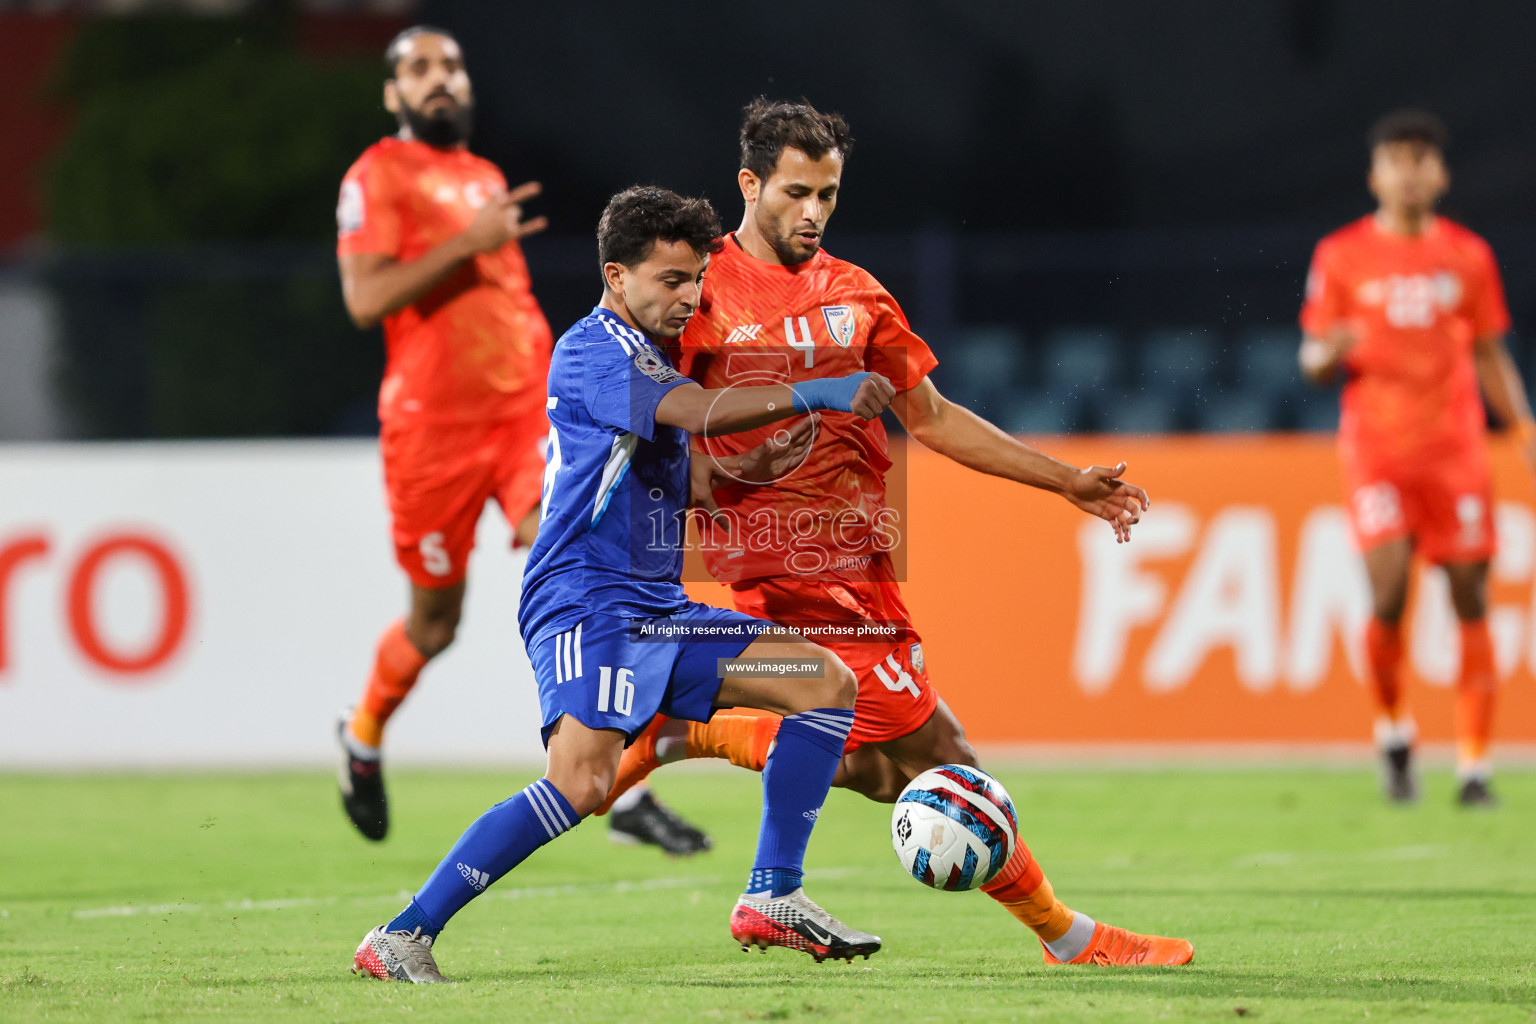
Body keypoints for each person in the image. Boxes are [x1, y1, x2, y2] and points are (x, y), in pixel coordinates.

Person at [598, 98, 1193, 967]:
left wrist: (1066, 481)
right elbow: (645, 421)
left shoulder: (856, 294)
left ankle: (690, 732)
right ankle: (1069, 938)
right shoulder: (699, 292)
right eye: (797, 192)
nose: (813, 212)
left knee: (881, 767)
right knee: (943, 760)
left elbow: (936, 418)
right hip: (788, 567)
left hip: (864, 561)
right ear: (749, 184)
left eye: (829, 195)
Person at [352, 186, 897, 982]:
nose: (689, 296)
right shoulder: (591, 351)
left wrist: (748, 473)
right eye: (671, 280)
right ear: (617, 275)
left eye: (696, 280)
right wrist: (821, 389)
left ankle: (774, 893)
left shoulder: (649, 356)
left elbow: (692, 482)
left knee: (823, 683)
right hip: (586, 602)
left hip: (660, 615)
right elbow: (701, 409)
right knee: (581, 782)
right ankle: (401, 935)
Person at [332, 25, 708, 854]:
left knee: (579, 562)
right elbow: (365, 299)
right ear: (393, 94)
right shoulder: (377, 175)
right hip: (431, 434)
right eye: (420, 70)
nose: (441, 80)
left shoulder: (483, 177)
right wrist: (469, 243)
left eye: (453, 66)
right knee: (434, 625)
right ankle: (361, 737)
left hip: (521, 425)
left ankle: (608, 762)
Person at [1299, 110, 1534, 807]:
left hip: (1456, 448)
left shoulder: (1468, 256)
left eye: (1421, 159)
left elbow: (1491, 350)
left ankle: (1474, 765)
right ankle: (1395, 732)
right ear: (1376, 174)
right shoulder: (1340, 255)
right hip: (1376, 448)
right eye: (1396, 158)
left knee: (1469, 593)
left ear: (1440, 174)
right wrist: (1326, 355)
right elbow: (1311, 354)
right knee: (1391, 592)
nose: (1409, 171)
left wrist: (1520, 425)